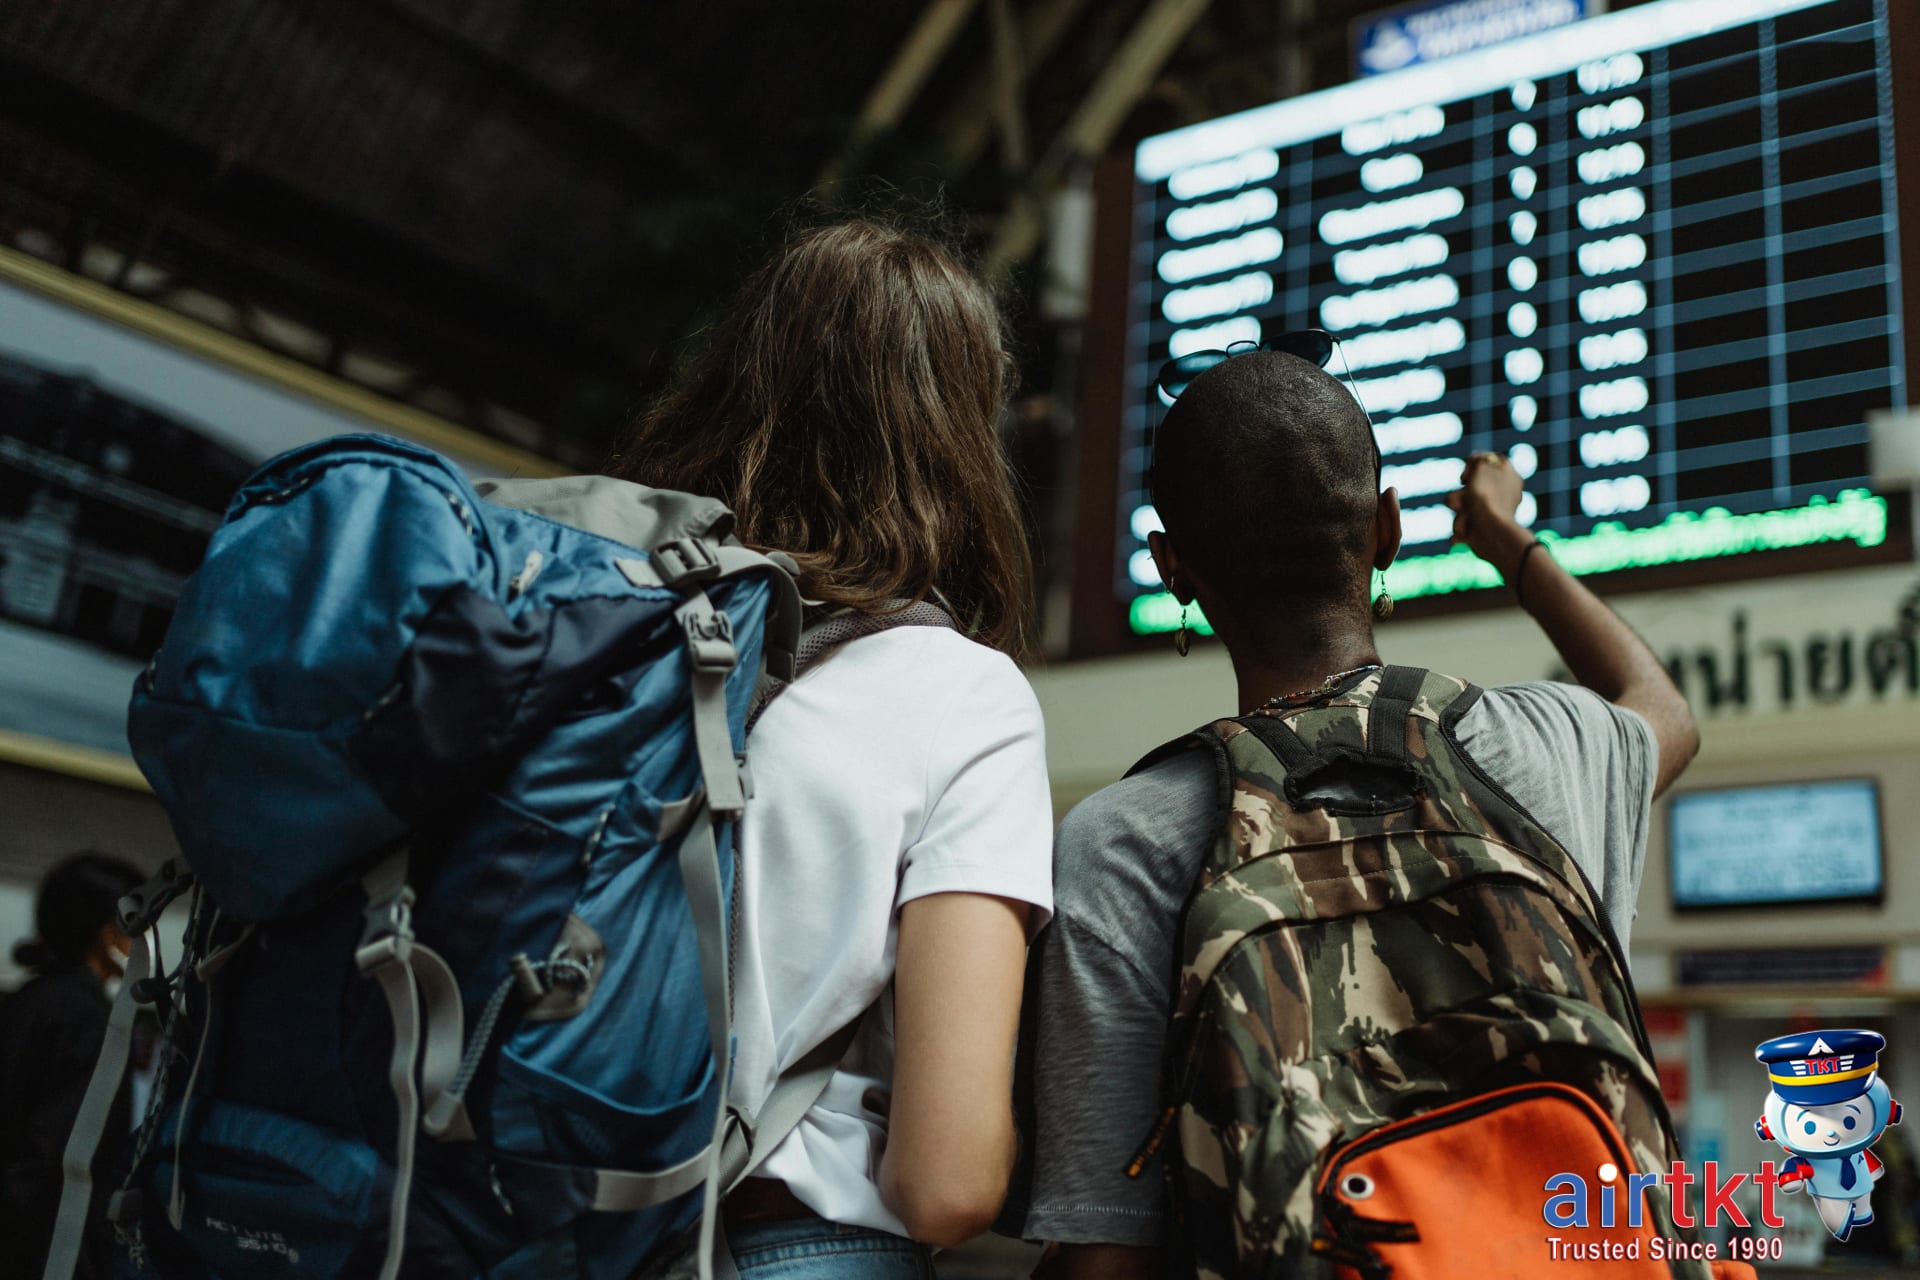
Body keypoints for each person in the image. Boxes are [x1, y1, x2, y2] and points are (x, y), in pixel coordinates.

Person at [999, 348, 1699, 1276]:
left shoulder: (1120, 845)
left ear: (1172, 568)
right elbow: (1664, 709)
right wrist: (1505, 541)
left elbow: (1105, 1250)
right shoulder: (1544, 746)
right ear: (1388, 528)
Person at [606, 219, 1053, 1276]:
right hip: (787, 1239)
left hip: (519, 1227)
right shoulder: (964, 697)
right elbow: (945, 1183)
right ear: (958, 436)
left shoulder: (599, 632)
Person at [0, 851, 146, 1280]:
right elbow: (60, 1161)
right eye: (142, 922)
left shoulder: (29, 998)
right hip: (45, 1251)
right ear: (109, 934)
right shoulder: (87, 1017)